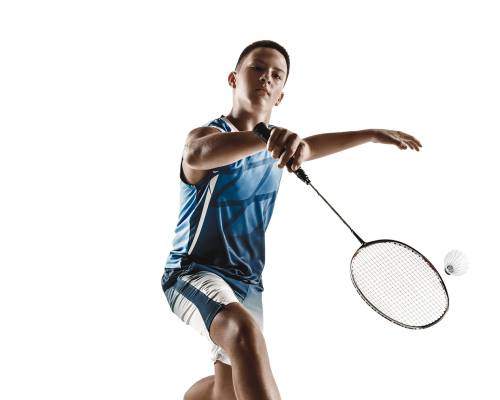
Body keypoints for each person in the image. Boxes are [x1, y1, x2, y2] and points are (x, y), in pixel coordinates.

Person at [161, 40, 422, 400]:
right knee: (243, 332)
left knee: (227, 391)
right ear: (233, 78)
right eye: (257, 69)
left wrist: (372, 134)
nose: (266, 78)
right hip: (191, 273)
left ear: (281, 95)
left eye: (276, 75)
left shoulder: (278, 151)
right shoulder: (210, 136)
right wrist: (260, 137)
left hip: (248, 283)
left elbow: (311, 146)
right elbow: (197, 153)